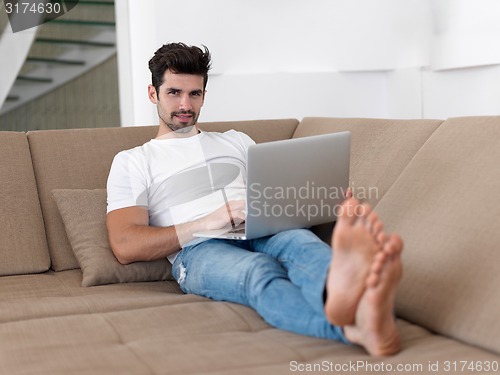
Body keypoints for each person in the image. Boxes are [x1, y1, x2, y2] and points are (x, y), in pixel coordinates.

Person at [106, 42, 404, 356]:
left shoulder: (236, 141)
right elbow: (126, 245)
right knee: (257, 271)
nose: (185, 104)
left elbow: (275, 191)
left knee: (302, 245)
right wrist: (210, 221)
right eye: (174, 93)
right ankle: (356, 323)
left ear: (204, 95)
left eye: (195, 94)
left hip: (261, 228)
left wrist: (321, 198)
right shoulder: (133, 161)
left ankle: (350, 297)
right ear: (153, 93)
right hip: (197, 250)